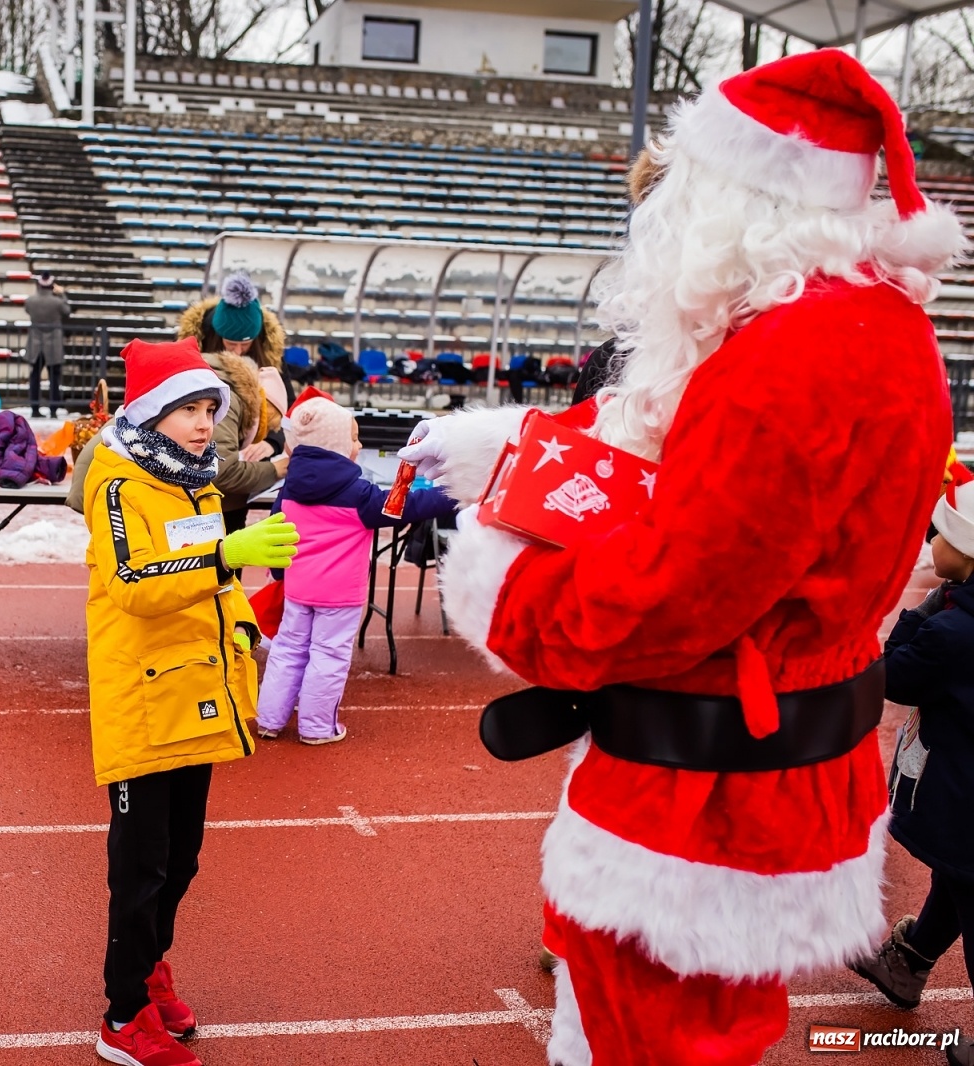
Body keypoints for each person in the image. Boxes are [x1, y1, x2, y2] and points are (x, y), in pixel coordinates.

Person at [398, 51, 963, 1064]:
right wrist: (527, 450)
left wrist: (502, 582)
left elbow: (670, 596)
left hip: (702, 793)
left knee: (647, 1032)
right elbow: (686, 467)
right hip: (764, 768)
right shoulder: (862, 326)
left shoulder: (794, 355)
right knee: (691, 1026)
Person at [80, 337, 299, 1066]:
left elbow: (210, 582)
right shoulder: (117, 485)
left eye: (211, 408)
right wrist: (224, 558)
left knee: (180, 861)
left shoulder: (198, 482)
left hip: (197, 696)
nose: (205, 423)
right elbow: (137, 582)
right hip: (144, 704)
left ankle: (149, 970)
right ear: (150, 413)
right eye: (187, 410)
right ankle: (121, 1013)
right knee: (138, 869)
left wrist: (246, 614)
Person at [848, 485, 974, 1066]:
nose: (931, 541)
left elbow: (891, 678)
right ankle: (909, 964)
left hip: (963, 792)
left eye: (942, 534)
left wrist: (916, 615)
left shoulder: (952, 633)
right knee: (957, 878)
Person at [256, 397, 456, 744]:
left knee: (288, 649)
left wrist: (277, 571)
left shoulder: (290, 486)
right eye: (353, 438)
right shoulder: (359, 494)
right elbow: (408, 505)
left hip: (298, 586)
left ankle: (269, 719)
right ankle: (317, 727)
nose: (359, 445)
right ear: (336, 447)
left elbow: (276, 526)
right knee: (328, 655)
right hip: (338, 595)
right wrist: (456, 491)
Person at [177, 273, 289, 533]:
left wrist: (270, 441)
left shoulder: (270, 361)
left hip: (239, 482)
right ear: (217, 338)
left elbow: (286, 414)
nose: (238, 351)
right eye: (231, 344)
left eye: (245, 344)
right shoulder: (193, 358)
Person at [25, 273, 71, 417]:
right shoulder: (57, 302)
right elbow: (67, 311)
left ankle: (34, 408)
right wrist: (62, 295)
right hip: (53, 343)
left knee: (34, 377)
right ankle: (53, 409)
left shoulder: (30, 301)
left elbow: (27, 310)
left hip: (36, 343)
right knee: (54, 378)